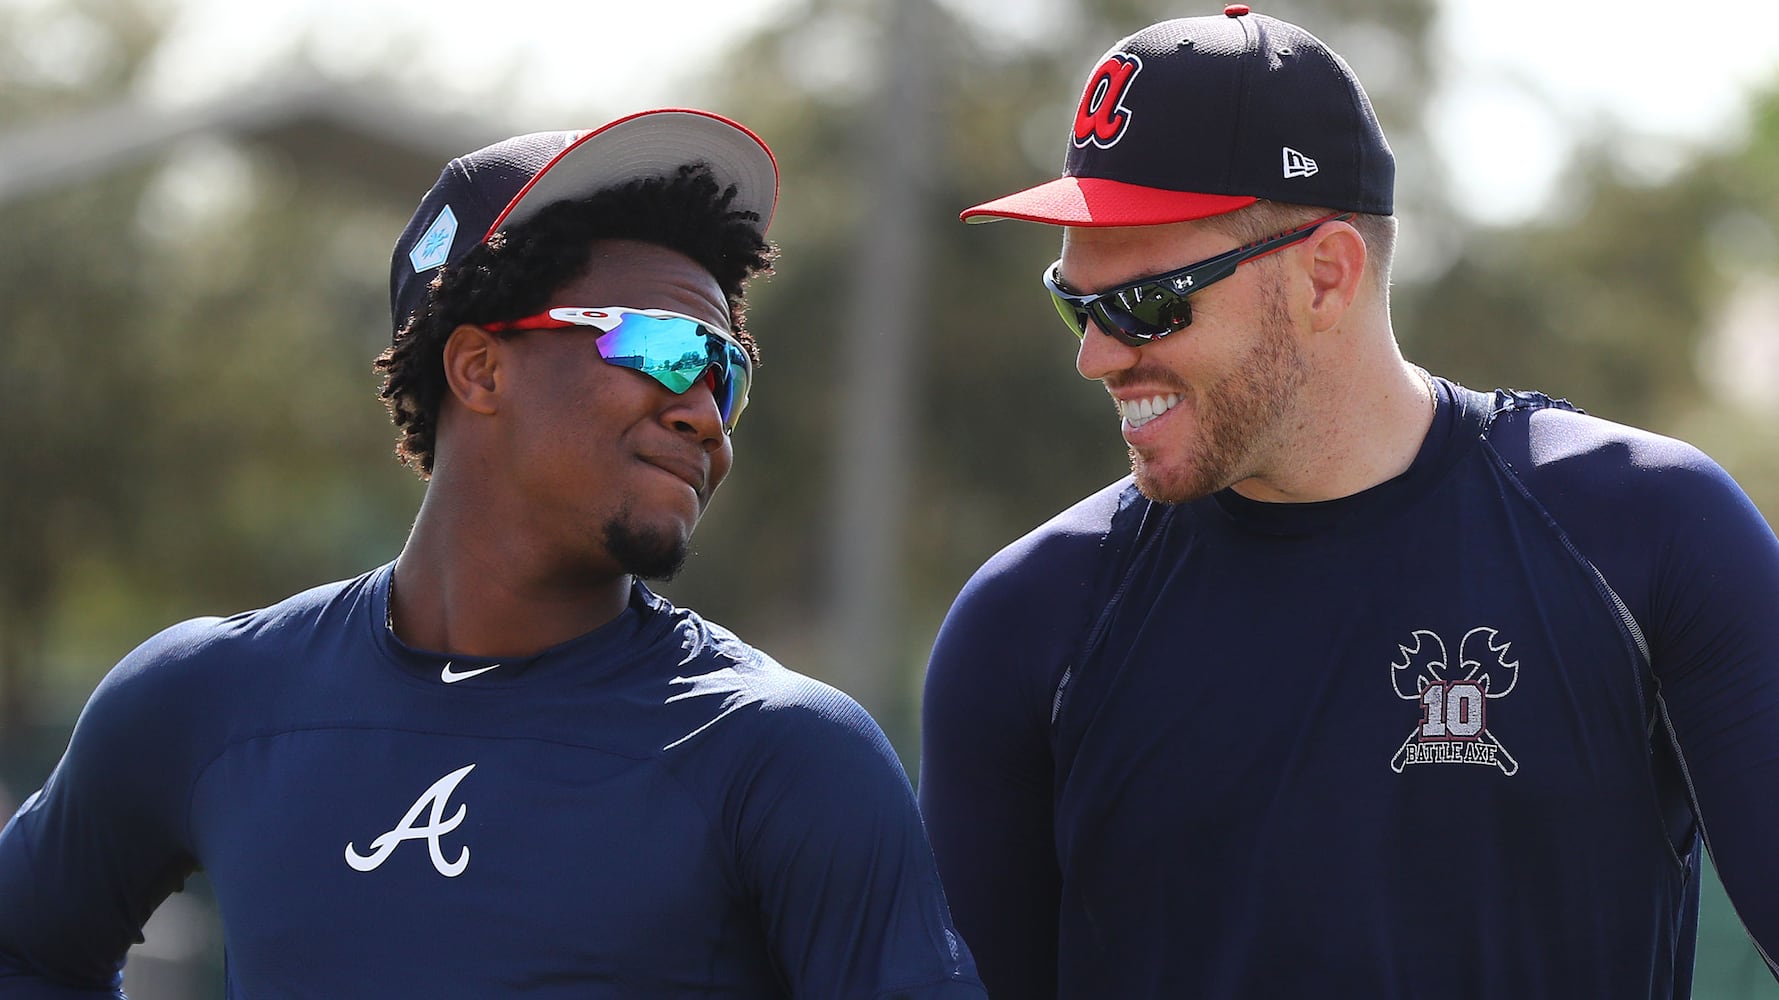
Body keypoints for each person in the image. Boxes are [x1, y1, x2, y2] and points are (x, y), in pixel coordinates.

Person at [0, 108, 985, 999]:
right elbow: (28, 949)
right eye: (662, 349)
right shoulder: (209, 695)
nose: (702, 414)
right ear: (478, 367)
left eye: (725, 373)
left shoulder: (786, 754)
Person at [918, 6, 1779, 998]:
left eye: (1146, 304)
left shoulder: (1649, 533)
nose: (1096, 354)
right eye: (1076, 301)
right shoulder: (1026, 626)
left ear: (1326, 276)